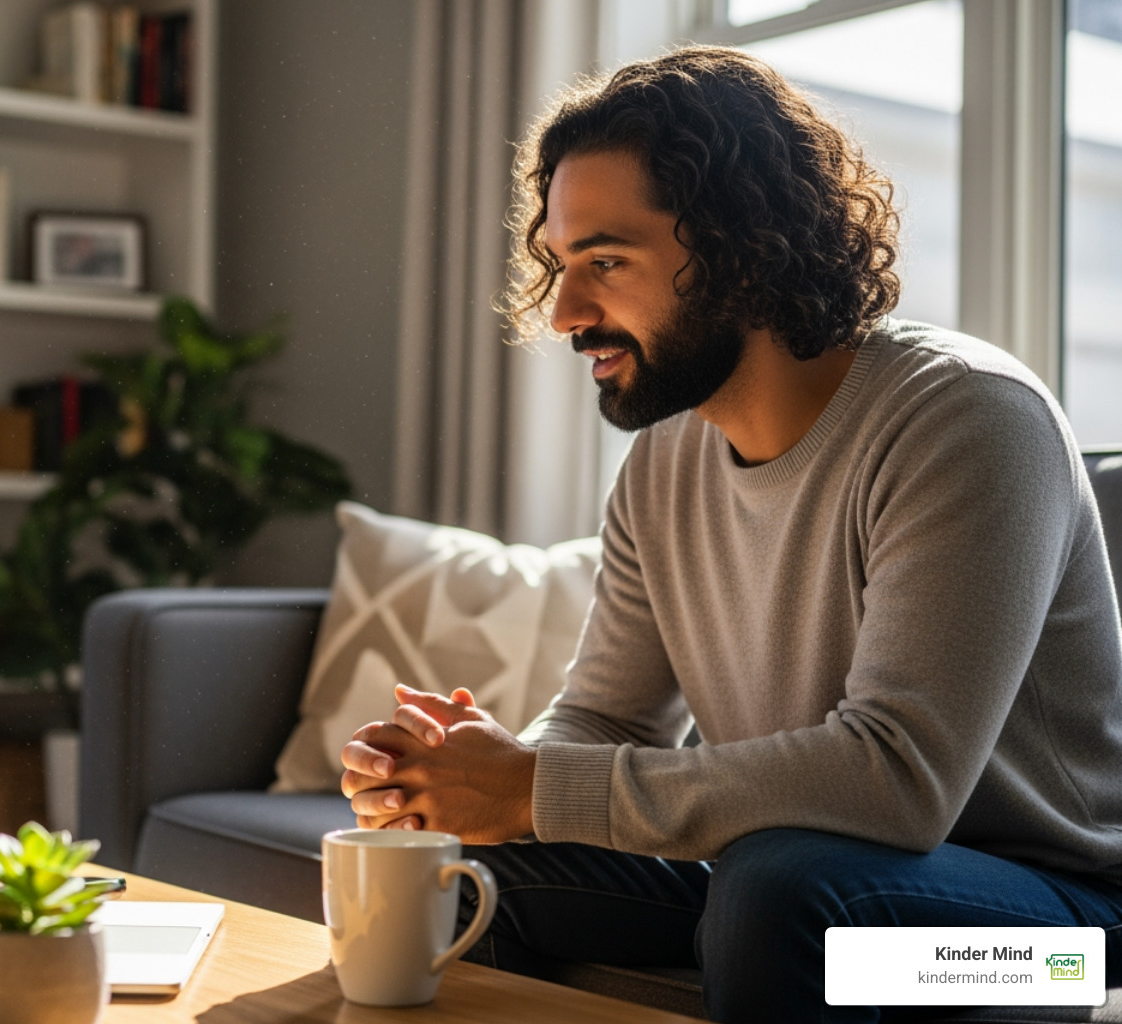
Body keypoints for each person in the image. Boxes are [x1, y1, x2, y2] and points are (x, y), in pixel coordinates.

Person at [338, 46, 1122, 1022]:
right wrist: (473, 780)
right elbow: (606, 722)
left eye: (607, 262)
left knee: (783, 892)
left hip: (1055, 942)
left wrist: (537, 785)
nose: (568, 313)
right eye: (561, 264)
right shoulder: (664, 464)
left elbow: (897, 782)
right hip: (791, 880)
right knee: (476, 865)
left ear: (742, 245)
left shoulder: (967, 418)